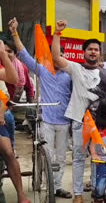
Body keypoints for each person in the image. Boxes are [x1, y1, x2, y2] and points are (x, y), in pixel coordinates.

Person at [8, 17, 73, 199]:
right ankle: (46, 183)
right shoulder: (43, 71)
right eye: (54, 55)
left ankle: (57, 186)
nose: (57, 58)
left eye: (60, 54)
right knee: (48, 155)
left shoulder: (70, 73)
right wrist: (14, 32)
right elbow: (23, 54)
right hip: (47, 119)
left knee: (60, 157)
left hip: (64, 121)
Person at [52, 20, 106, 203]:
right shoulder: (76, 69)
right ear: (84, 52)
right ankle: (78, 194)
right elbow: (56, 58)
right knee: (79, 158)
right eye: (90, 49)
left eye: (96, 49)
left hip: (101, 124)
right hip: (79, 122)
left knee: (100, 158)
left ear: (99, 53)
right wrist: (57, 33)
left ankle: (98, 191)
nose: (93, 52)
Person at [0, 39, 30, 203]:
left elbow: (12, 79)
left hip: (3, 113)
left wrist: (2, 54)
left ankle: (21, 195)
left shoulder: (10, 67)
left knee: (8, 151)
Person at [2, 40, 34, 149]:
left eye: (9, 51)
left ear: (15, 54)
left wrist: (31, 107)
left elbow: (29, 87)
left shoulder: (22, 68)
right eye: (3, 51)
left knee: (9, 119)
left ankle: (12, 148)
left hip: (9, 106)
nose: (6, 54)